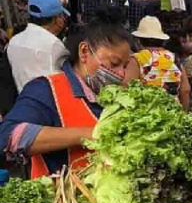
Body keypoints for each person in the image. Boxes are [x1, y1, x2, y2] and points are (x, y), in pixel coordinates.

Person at [0, 21, 131, 178]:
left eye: (125, 66)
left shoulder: (115, 98)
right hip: (64, 198)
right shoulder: (46, 90)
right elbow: (9, 136)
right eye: (114, 63)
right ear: (84, 52)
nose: (121, 74)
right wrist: (92, 134)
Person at [7, 0, 69, 92]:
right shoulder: (53, 44)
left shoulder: (14, 41)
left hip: (25, 102)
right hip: (49, 104)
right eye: (61, 15)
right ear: (58, 20)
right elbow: (66, 82)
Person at [126, 16, 190, 111]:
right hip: (174, 114)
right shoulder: (174, 58)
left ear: (139, 40)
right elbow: (185, 90)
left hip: (147, 116)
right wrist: (183, 112)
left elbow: (127, 87)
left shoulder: (137, 59)